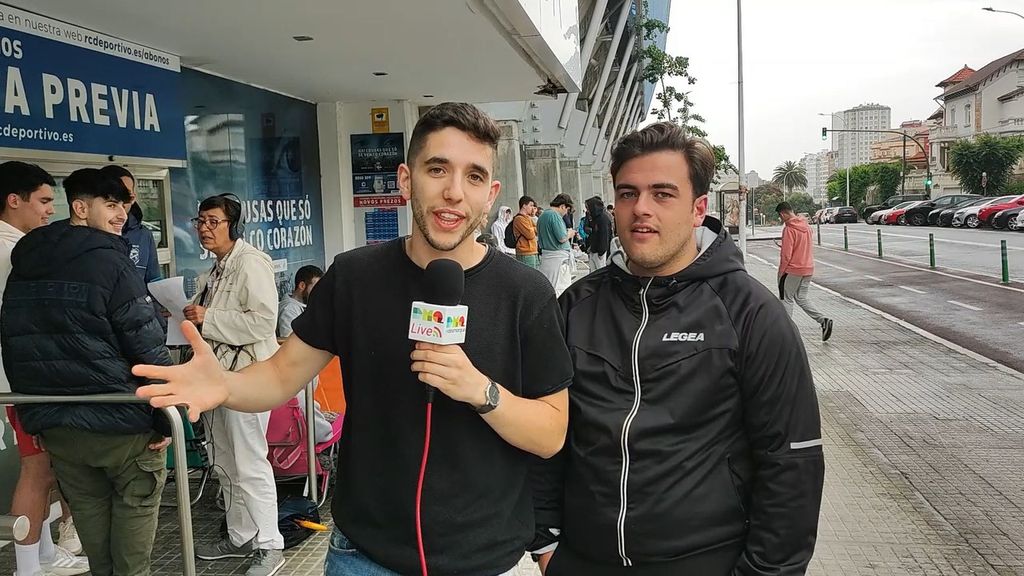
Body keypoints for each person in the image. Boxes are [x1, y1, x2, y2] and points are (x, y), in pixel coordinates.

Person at [134, 102, 572, 576]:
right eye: (437, 169)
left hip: (485, 555)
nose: (452, 193)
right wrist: (225, 385)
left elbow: (550, 434)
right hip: (364, 553)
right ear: (405, 180)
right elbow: (282, 373)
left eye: (473, 176)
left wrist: (481, 392)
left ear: (491, 194)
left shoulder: (524, 292)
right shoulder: (355, 276)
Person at [532, 122, 824, 575]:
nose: (640, 209)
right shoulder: (575, 306)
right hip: (581, 559)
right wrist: (546, 540)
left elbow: (792, 461)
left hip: (707, 560)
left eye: (662, 194)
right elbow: (548, 432)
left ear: (697, 208)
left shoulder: (750, 313)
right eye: (627, 194)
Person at [2, 168, 174, 576]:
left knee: (97, 550)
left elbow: (15, 342)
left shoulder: (25, 264)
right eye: (111, 205)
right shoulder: (113, 266)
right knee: (132, 549)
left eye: (124, 206)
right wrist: (166, 419)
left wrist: (37, 416)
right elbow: (147, 345)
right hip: (122, 425)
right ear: (80, 207)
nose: (121, 216)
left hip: (60, 428)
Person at [182, 194, 285, 576]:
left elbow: (261, 321)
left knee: (249, 460)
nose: (204, 229)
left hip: (249, 377)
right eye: (200, 221)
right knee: (224, 459)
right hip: (218, 378)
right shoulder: (215, 269)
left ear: (233, 225)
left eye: (213, 221)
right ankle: (240, 533)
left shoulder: (250, 263)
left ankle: (270, 544)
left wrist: (207, 316)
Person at [0, 161, 89, 576]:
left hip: (21, 381)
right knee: (36, 471)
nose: (50, 211)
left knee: (42, 469)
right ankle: (27, 567)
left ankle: (45, 554)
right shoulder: (12, 254)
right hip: (24, 383)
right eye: (44, 200)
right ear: (13, 200)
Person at [277, 265, 332, 444]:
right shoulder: (289, 310)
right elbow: (289, 341)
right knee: (303, 405)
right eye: (314, 287)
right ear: (302, 286)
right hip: (297, 372)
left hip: (305, 373)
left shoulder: (303, 307)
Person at [776, 201, 833, 342]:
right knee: (801, 298)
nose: (781, 219)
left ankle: (785, 333)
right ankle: (823, 320)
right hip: (808, 268)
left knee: (786, 299)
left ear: (783, 213)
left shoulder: (789, 229)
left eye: (780, 216)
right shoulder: (806, 226)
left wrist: (781, 273)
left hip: (792, 269)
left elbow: (786, 255)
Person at [537, 194, 576, 293]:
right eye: (567, 210)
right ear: (563, 206)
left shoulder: (542, 215)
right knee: (560, 289)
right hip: (558, 260)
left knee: (549, 288)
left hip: (547, 256)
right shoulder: (555, 216)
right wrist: (570, 234)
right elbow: (562, 238)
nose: (566, 213)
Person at [583, 196, 612, 272]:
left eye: (588, 208)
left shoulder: (603, 219)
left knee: (600, 273)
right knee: (593, 272)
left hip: (600, 252)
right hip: (594, 250)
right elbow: (593, 234)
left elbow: (604, 236)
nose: (587, 210)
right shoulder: (594, 218)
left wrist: (601, 252)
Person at [513, 195, 540, 268]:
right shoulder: (519, 219)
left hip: (533, 251)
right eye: (531, 205)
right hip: (525, 252)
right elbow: (530, 235)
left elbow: (538, 230)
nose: (532, 208)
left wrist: (532, 227)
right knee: (529, 277)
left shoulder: (528, 218)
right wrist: (533, 229)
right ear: (524, 206)